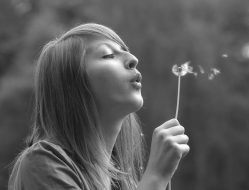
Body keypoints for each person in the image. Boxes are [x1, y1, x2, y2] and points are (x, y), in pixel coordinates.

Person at [8, 23, 190, 190]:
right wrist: (156, 177)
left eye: (126, 51)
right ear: (73, 85)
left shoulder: (121, 183)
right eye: (108, 55)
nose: (133, 59)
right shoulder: (43, 164)